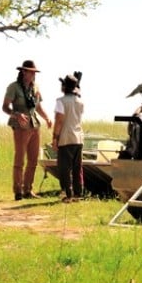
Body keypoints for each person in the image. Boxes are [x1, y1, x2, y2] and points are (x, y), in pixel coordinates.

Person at [2, 59, 52, 201]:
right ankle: (18, 191)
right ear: (23, 72)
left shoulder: (35, 87)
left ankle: (28, 190)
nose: (33, 75)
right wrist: (16, 114)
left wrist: (47, 118)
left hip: (34, 125)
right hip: (20, 126)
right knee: (19, 160)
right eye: (31, 72)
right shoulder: (13, 87)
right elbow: (5, 107)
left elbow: (38, 107)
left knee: (33, 160)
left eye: (34, 72)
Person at [52, 73, 84, 202]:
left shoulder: (60, 101)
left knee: (64, 167)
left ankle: (67, 193)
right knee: (77, 168)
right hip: (78, 137)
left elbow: (59, 121)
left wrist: (55, 138)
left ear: (65, 86)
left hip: (66, 137)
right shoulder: (80, 101)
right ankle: (78, 193)